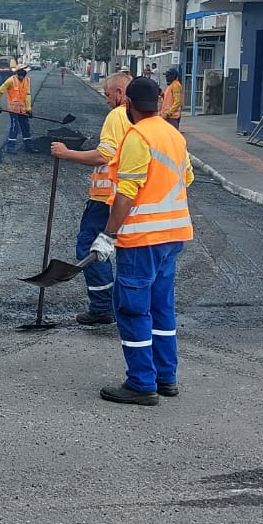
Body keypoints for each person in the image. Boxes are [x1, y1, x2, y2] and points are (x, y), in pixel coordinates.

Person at [90, 76, 194, 406]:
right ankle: (166, 377)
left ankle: (141, 383)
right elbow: (186, 177)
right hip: (173, 235)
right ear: (160, 103)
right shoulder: (174, 136)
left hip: (142, 239)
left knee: (133, 309)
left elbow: (127, 192)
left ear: (129, 105)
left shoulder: (138, 137)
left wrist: (108, 235)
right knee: (161, 307)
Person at [50, 71, 131, 327]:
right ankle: (127, 307)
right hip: (129, 197)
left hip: (106, 198)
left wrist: (67, 153)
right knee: (128, 252)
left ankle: (102, 307)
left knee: (90, 247)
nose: (106, 100)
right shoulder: (142, 119)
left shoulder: (117, 115)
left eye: (108, 94)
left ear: (119, 94)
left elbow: (104, 156)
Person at [0, 64, 35, 153]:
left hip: (23, 109)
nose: (23, 73)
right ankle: (10, 148)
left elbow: (27, 95)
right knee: (14, 127)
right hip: (13, 109)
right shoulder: (11, 80)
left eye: (24, 71)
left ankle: (28, 146)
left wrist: (28, 109)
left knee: (26, 126)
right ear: (17, 72)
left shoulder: (27, 81)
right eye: (21, 71)